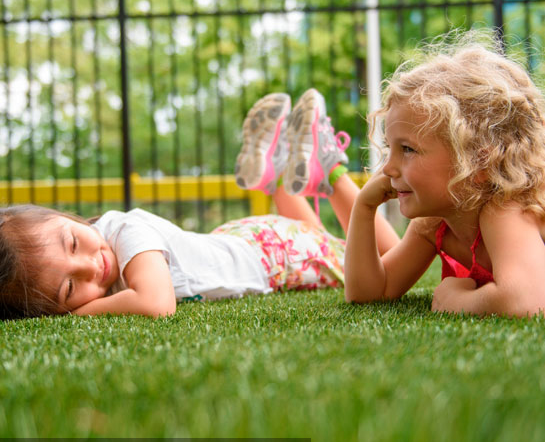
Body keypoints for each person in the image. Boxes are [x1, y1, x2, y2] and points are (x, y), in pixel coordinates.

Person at [0, 89, 398, 319]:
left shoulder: (124, 231)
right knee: (315, 236)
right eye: (70, 287)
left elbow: (156, 305)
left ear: (62, 216)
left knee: (389, 261)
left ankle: (329, 170)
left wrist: (76, 309)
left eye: (72, 243)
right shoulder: (109, 249)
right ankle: (276, 172)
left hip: (271, 258)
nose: (90, 265)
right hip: (248, 242)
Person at [345, 31, 545, 317]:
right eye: (390, 148)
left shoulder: (505, 205)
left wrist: (454, 301)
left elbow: (526, 301)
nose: (388, 168)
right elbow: (370, 293)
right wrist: (363, 207)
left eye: (408, 149)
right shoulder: (435, 224)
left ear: (478, 163)